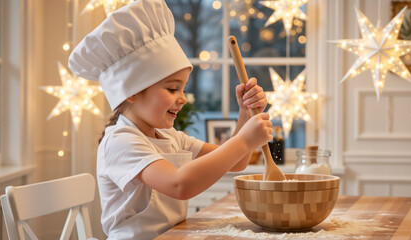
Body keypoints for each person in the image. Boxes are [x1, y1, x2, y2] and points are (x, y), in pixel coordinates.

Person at [68, 0, 272, 239]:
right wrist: (245, 141)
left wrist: (245, 114)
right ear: (132, 92)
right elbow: (180, 185)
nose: (183, 98)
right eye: (173, 89)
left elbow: (235, 162)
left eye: (183, 89)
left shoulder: (169, 137)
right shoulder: (120, 141)